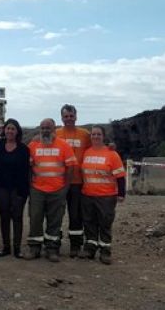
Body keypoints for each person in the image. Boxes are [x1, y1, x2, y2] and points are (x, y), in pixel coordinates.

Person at [26, 118, 77, 262]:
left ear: (54, 129)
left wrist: (65, 187)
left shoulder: (64, 145)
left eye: (48, 128)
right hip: (37, 190)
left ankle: (52, 249)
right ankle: (34, 248)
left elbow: (71, 166)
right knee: (35, 219)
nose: (45, 130)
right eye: (42, 128)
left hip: (57, 190)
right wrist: (30, 185)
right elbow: (28, 167)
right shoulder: (33, 145)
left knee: (55, 221)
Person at [80, 126, 126, 265]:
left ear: (103, 136)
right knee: (89, 223)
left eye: (98, 134)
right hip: (88, 194)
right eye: (93, 134)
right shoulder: (86, 152)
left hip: (106, 196)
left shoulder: (112, 154)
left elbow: (120, 176)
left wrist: (121, 193)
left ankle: (105, 252)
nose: (95, 136)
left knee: (105, 223)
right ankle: (90, 249)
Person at [55, 104, 92, 258]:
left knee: (76, 215)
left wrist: (110, 147)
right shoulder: (55, 133)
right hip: (59, 182)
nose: (69, 119)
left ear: (76, 117)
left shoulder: (85, 134)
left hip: (77, 182)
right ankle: (53, 244)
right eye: (66, 116)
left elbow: (96, 147)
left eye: (71, 116)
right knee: (55, 215)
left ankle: (75, 245)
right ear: (62, 118)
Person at [0, 118, 30, 259]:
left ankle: (17, 248)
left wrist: (23, 191)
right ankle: (6, 247)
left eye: (13, 129)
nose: (10, 131)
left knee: (17, 218)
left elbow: (26, 171)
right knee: (4, 216)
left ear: (17, 131)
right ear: (4, 130)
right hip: (1, 188)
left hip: (18, 189)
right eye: (8, 128)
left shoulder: (24, 149)